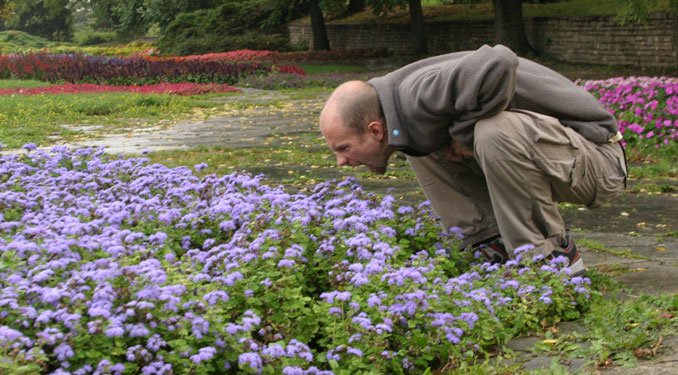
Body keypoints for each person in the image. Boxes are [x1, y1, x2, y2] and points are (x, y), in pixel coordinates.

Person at [319, 44, 627, 276]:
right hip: (560, 159)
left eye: (343, 147)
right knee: (415, 141)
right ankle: (488, 240)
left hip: (599, 162)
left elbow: (500, 60)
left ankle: (551, 253)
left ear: (374, 130)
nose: (341, 162)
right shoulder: (399, 113)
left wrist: (463, 136)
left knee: (492, 131)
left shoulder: (418, 93)